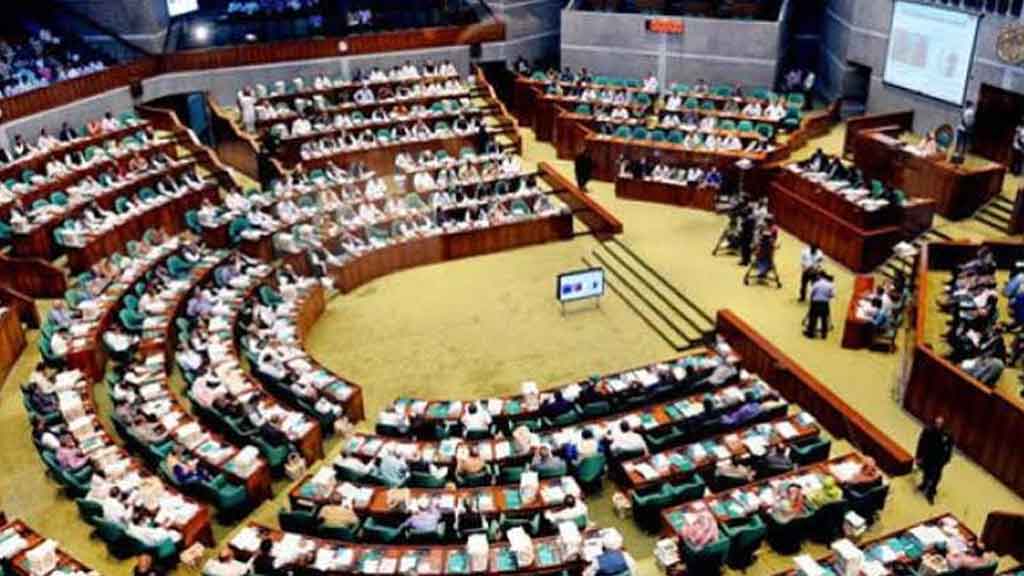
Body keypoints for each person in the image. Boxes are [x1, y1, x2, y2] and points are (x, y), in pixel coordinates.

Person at [915, 416, 953, 504]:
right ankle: (924, 484)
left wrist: (946, 460)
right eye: (936, 423)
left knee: (936, 477)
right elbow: (921, 443)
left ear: (943, 425)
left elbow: (949, 448)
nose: (938, 425)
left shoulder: (947, 434)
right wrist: (918, 456)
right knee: (926, 471)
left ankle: (931, 493)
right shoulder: (928, 430)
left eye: (940, 424)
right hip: (928, 456)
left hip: (939, 460)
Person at [805, 271, 835, 339]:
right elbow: (832, 295)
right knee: (824, 318)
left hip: (816, 302)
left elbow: (811, 293)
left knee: (813, 318)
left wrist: (812, 300)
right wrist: (827, 297)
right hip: (825, 303)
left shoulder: (816, 284)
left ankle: (811, 333)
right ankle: (824, 334)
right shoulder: (830, 285)